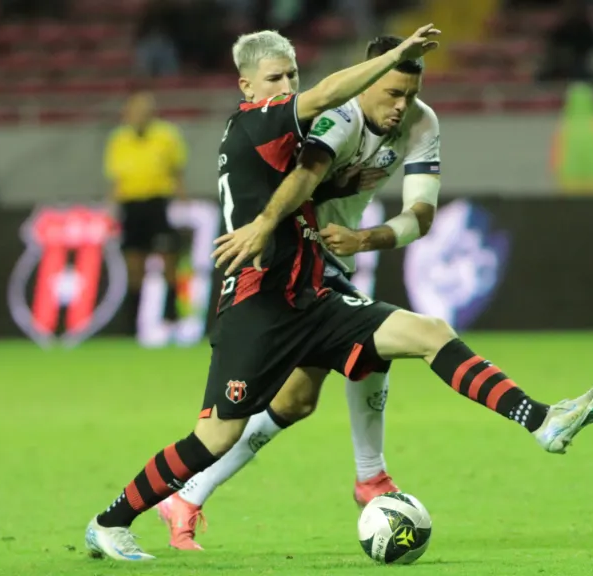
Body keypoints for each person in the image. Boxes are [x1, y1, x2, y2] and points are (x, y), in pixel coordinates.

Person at [84, 23, 443, 562]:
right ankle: (114, 520)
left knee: (361, 354)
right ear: (246, 88)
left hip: (303, 290)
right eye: (274, 78)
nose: (286, 86)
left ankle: (371, 475)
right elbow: (326, 98)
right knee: (214, 437)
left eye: (291, 76)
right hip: (255, 299)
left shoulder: (288, 134)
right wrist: (395, 57)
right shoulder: (258, 122)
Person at [104, 92, 189, 329]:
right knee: (134, 263)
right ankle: (132, 323)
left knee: (168, 259)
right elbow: (116, 179)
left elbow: (177, 172)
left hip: (159, 203)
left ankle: (171, 314)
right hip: (131, 205)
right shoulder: (119, 139)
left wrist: (183, 202)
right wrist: (111, 207)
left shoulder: (167, 136)